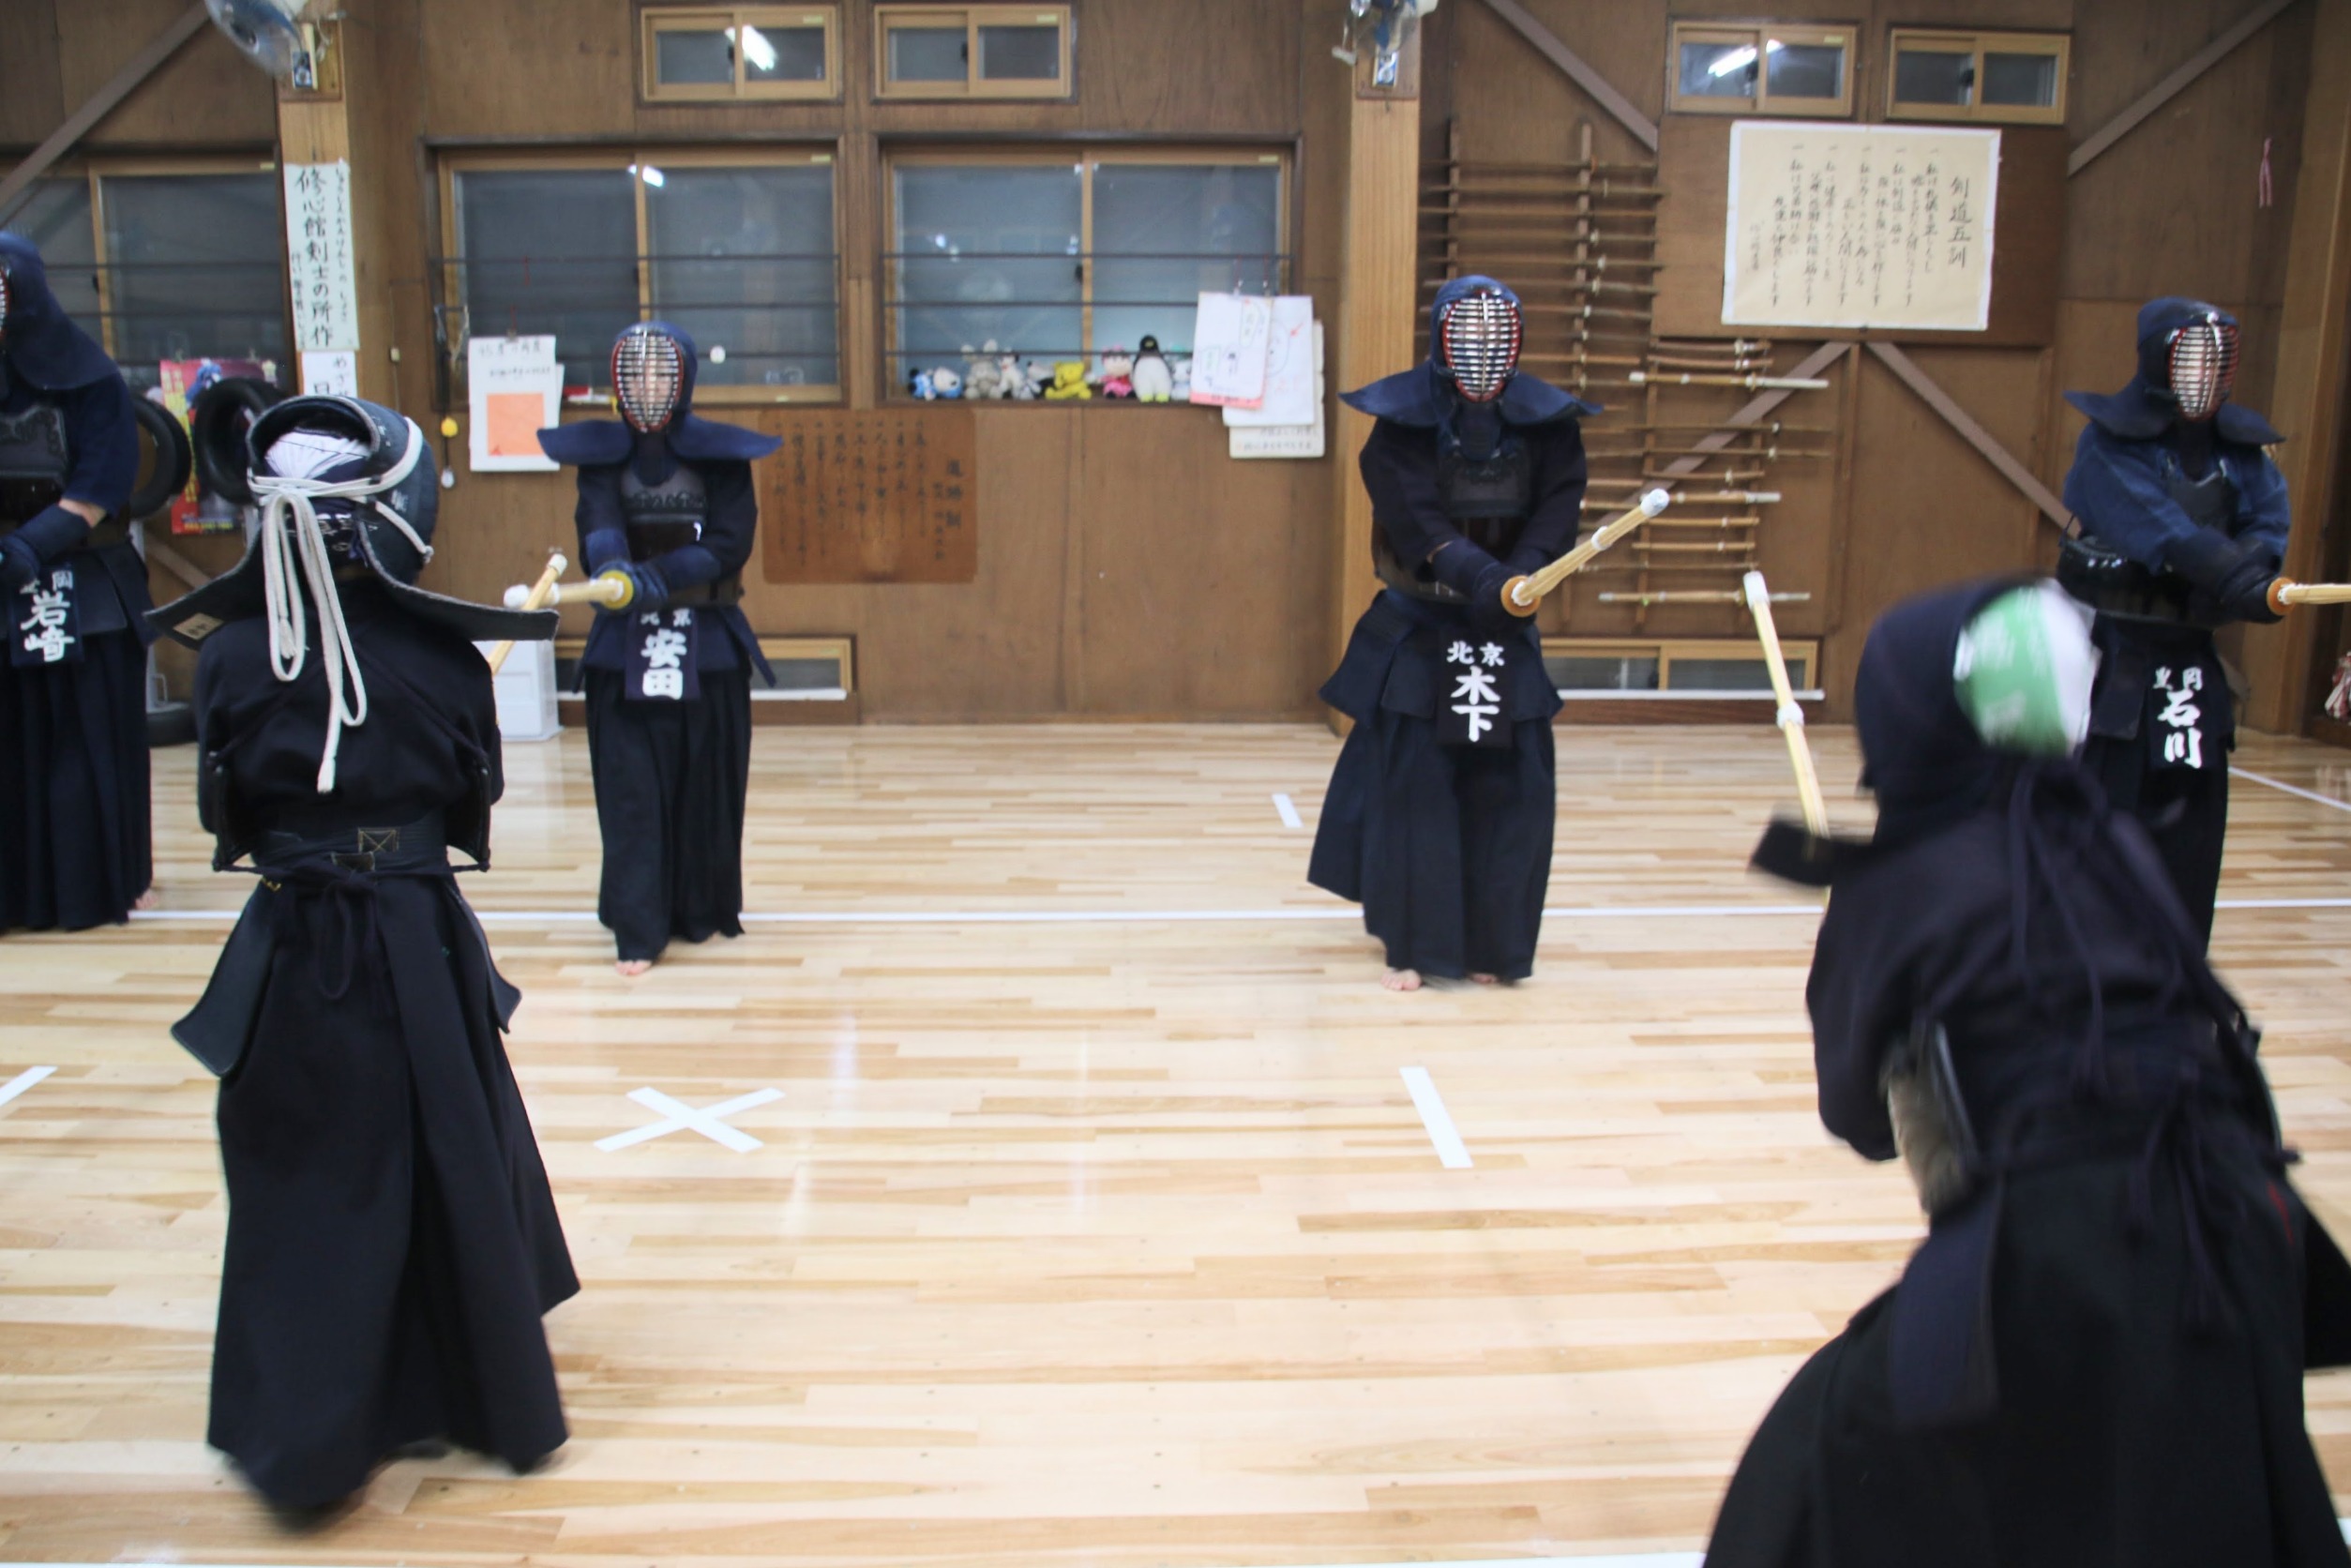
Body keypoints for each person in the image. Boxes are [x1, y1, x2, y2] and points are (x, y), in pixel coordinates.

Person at [1711, 578, 2351, 1568]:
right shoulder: (2108, 841)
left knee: (1812, 1483)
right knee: (2196, 1505)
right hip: (2245, 1222)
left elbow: (1857, 1119)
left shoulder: (1900, 883)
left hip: (2077, 1246)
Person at [148, 394, 575, 1513]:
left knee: (311, 1173)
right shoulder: (444, 661)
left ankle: (313, 1423)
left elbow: (227, 818)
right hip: (415, 933)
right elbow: (471, 797)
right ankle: (470, 1386)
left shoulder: (228, 659)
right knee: (443, 1149)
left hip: (296, 938)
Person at [1307, 276, 1591, 989]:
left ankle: (1494, 947)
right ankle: (1415, 947)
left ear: (1515, 343)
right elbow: (1416, 520)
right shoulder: (1401, 427)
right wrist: (1481, 577)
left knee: (1512, 792)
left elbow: (1558, 510)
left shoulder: (1549, 427)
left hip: (1506, 626)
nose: (1481, 351)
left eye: (1495, 337)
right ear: (1440, 339)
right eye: (1468, 336)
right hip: (1422, 625)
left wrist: (1520, 578)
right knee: (1417, 792)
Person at [537, 323, 779, 976]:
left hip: (707, 640)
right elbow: (598, 524)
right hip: (623, 643)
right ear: (617, 383)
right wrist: (616, 568)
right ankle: (638, 926)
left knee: (705, 785)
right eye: (635, 374)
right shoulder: (601, 460)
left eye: (660, 374)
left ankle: (700, 908)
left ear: (684, 380)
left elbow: (730, 541)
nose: (647, 386)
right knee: (630, 792)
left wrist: (664, 575)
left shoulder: (722, 458)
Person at [2059, 297, 2293, 942]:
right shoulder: (2108, 446)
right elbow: (2151, 523)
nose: (2202, 377)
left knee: (2189, 847)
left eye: (2215, 363)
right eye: (2189, 360)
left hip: (2191, 669)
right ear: (2157, 361)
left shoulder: (2242, 455)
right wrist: (2227, 573)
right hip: (2113, 663)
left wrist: (2254, 572)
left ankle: (2176, 974)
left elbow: (2267, 520)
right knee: (2102, 836)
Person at [0, 233, 152, 929]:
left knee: (78, 745)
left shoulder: (91, 377)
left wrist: (33, 543)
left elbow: (103, 478)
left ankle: (92, 886)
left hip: (79, 577)